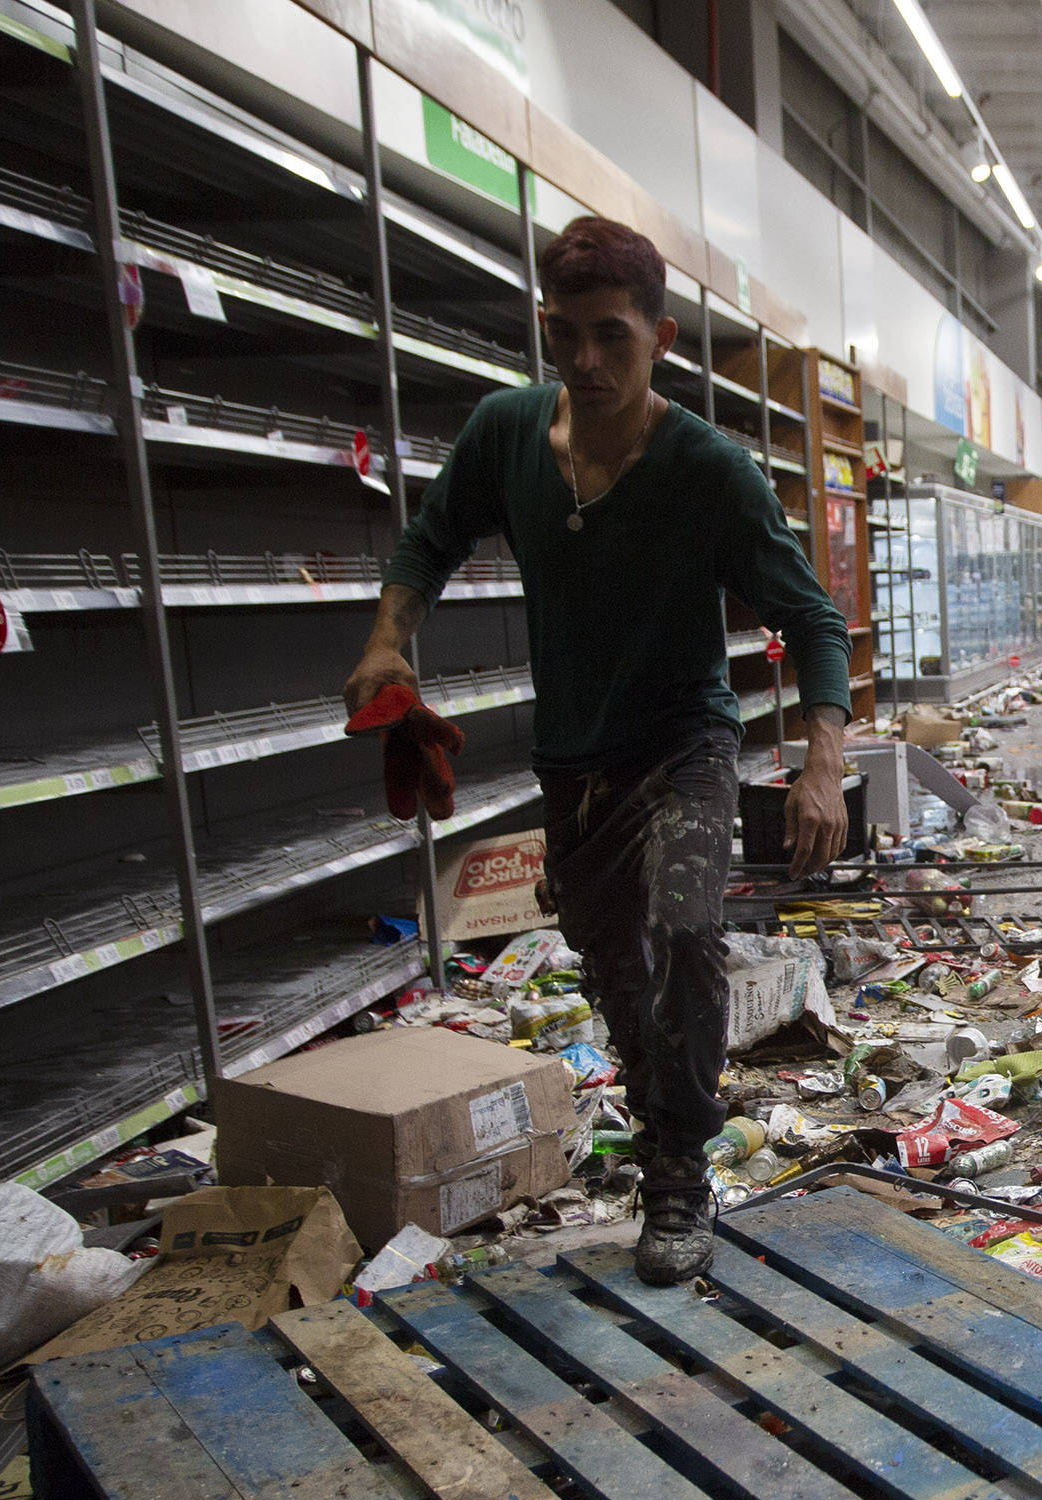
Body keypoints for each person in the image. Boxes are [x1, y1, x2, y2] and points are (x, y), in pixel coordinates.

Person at [349, 215, 853, 1284]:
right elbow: (429, 537)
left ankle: (680, 1167)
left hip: (685, 745)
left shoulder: (708, 473)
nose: (585, 361)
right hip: (573, 766)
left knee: (681, 929)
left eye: (611, 336)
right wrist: (390, 636)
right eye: (564, 334)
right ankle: (664, 1122)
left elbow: (811, 616)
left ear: (660, 336)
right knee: (617, 978)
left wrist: (821, 762)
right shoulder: (505, 434)